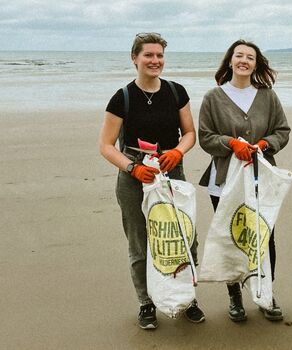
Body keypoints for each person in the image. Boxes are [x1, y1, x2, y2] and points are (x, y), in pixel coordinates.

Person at [99, 32, 205, 329]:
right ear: (135, 58)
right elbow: (106, 145)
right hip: (134, 178)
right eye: (148, 55)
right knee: (140, 242)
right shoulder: (122, 97)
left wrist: (178, 152)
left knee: (183, 237)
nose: (155, 61)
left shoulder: (176, 91)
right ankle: (146, 303)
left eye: (159, 55)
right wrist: (132, 168)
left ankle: (188, 297)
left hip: (172, 172)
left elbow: (190, 133)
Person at [198, 39, 290, 322]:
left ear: (255, 64)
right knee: (231, 237)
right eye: (239, 56)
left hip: (261, 178)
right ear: (230, 61)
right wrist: (230, 143)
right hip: (224, 180)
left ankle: (265, 291)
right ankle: (235, 297)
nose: (244, 61)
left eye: (250, 57)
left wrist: (263, 144)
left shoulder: (267, 96)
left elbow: (282, 130)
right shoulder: (213, 97)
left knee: (264, 237)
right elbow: (205, 136)